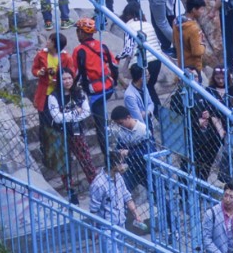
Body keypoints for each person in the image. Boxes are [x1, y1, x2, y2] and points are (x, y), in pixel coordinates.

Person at [68, 17, 121, 158]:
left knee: (99, 123)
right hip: (108, 88)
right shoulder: (102, 46)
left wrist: (71, 90)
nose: (77, 34)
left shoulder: (79, 50)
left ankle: (107, 154)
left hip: (94, 92)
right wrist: (114, 81)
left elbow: (76, 74)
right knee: (100, 116)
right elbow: (114, 65)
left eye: (78, 31)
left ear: (82, 33)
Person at [47, 67, 98, 201]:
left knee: (86, 160)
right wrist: (76, 113)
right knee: (65, 165)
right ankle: (71, 192)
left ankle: (97, 187)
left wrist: (68, 116)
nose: (67, 81)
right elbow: (57, 118)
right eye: (64, 79)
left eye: (69, 78)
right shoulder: (53, 97)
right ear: (59, 80)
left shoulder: (79, 92)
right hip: (60, 133)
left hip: (76, 132)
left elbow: (86, 112)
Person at [87, 152, 133, 253]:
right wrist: (95, 229)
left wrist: (136, 214)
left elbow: (126, 196)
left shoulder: (118, 177)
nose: (123, 165)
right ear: (114, 165)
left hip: (120, 225)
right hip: (107, 229)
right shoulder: (99, 184)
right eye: (121, 162)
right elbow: (93, 209)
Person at [108, 104, 155, 196]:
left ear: (128, 117)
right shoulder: (121, 131)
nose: (119, 126)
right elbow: (119, 147)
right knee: (123, 191)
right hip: (131, 167)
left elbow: (149, 152)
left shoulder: (143, 130)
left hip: (146, 166)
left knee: (156, 193)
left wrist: (129, 152)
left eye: (121, 123)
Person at [180, 0, 216, 79]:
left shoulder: (176, 22)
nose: (202, 12)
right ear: (193, 10)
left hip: (182, 63)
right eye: (201, 9)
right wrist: (202, 44)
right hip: (193, 66)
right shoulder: (193, 28)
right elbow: (197, 52)